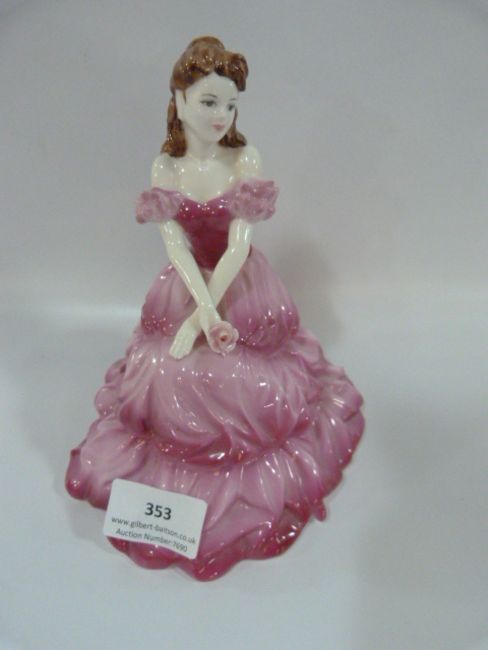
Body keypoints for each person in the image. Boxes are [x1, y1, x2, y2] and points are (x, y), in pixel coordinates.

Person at [65, 36, 364, 581]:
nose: (221, 115)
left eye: (230, 104)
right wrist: (200, 314)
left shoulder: (244, 159)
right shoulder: (166, 167)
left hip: (239, 281)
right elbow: (176, 247)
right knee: (163, 374)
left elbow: (239, 244)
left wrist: (212, 316)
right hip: (189, 284)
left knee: (249, 384)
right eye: (208, 101)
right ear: (179, 100)